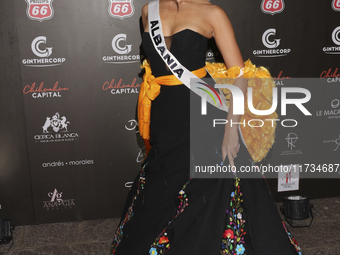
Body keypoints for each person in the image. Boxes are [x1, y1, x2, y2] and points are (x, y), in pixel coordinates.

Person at [110, 0, 303, 254]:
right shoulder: (149, 11)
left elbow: (240, 76)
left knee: (210, 187)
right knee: (164, 185)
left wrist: (231, 129)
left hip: (203, 112)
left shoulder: (212, 13)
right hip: (165, 115)